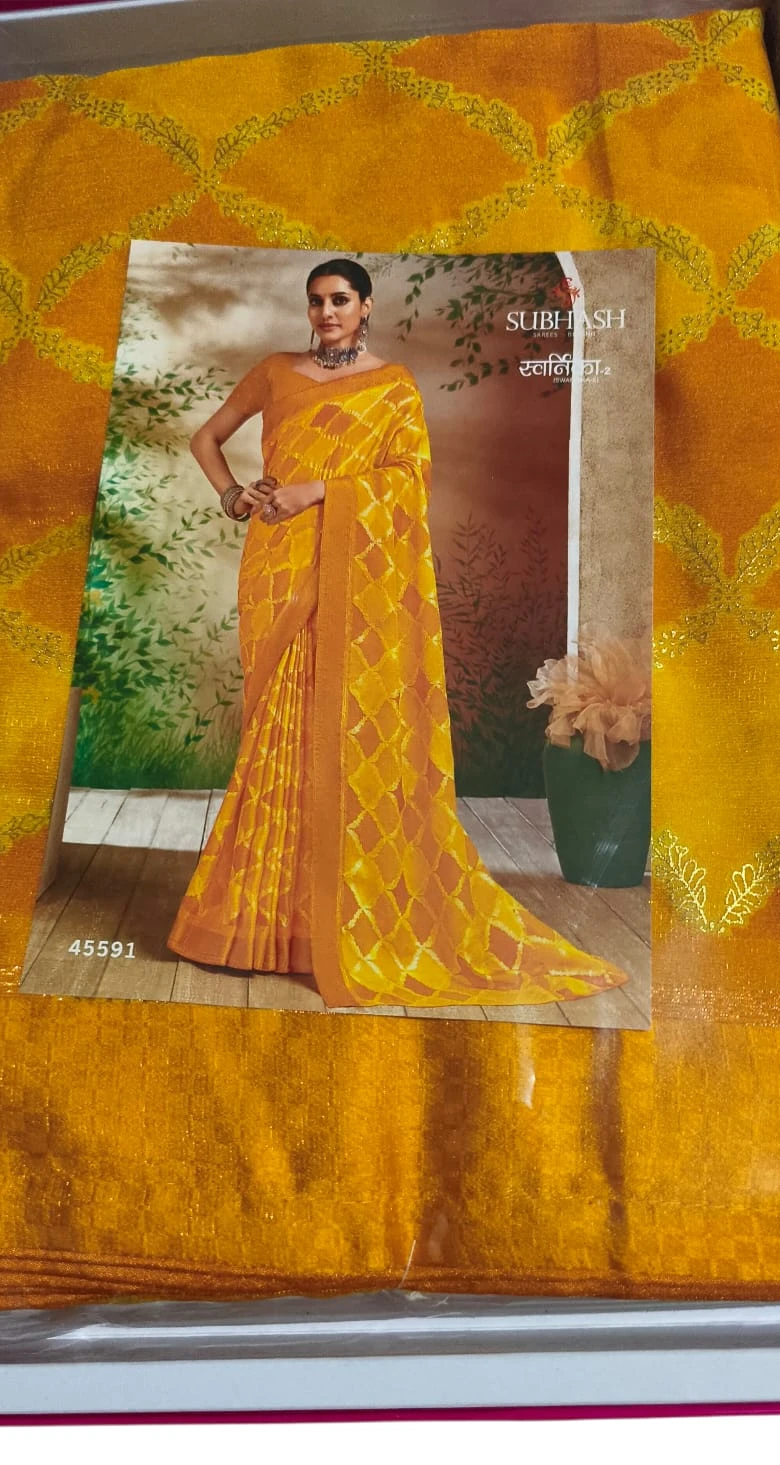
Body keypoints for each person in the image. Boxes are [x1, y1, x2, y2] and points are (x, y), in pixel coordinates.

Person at [166, 258, 628, 1011]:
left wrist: (318, 490)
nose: (326, 313)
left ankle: (329, 920)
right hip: (279, 567)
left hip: (353, 574)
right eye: (316, 301)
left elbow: (409, 479)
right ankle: (260, 924)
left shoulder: (393, 386)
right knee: (278, 732)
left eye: (340, 300)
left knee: (346, 730)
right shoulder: (275, 373)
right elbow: (207, 438)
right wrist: (233, 496)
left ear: (366, 306)